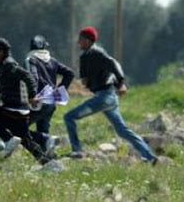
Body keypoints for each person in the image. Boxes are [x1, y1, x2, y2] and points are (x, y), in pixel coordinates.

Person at [63, 27, 158, 163]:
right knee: (122, 130)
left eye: (81, 39)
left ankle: (77, 150)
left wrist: (121, 83)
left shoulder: (97, 52)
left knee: (69, 117)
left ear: (88, 40)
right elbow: (84, 80)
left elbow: (113, 64)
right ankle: (150, 156)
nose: (78, 42)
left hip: (104, 97)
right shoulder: (85, 56)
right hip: (109, 98)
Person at [0, 38, 52, 164]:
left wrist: (32, 95)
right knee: (26, 141)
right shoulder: (3, 65)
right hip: (16, 109)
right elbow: (4, 86)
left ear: (0, 52)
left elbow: (27, 76)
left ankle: (8, 139)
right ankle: (49, 163)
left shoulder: (9, 64)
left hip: (14, 109)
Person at [25, 35, 74, 146]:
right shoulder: (53, 61)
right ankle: (47, 157)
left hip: (37, 101)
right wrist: (60, 90)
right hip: (51, 101)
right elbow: (69, 73)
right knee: (43, 130)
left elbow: (33, 77)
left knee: (17, 127)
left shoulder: (30, 60)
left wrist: (32, 95)